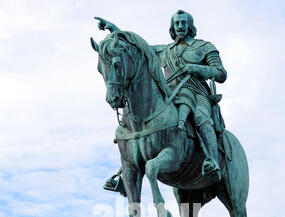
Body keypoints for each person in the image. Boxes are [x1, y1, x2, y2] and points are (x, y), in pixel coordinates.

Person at [96, 10, 227, 181]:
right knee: (137, 119)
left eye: (183, 23)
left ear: (190, 25)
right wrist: (115, 31)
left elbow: (221, 73)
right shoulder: (166, 50)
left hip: (197, 94)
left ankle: (212, 160)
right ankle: (126, 170)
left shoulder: (204, 47)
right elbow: (137, 48)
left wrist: (196, 68)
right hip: (171, 95)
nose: (180, 26)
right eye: (177, 23)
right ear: (172, 27)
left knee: (202, 117)